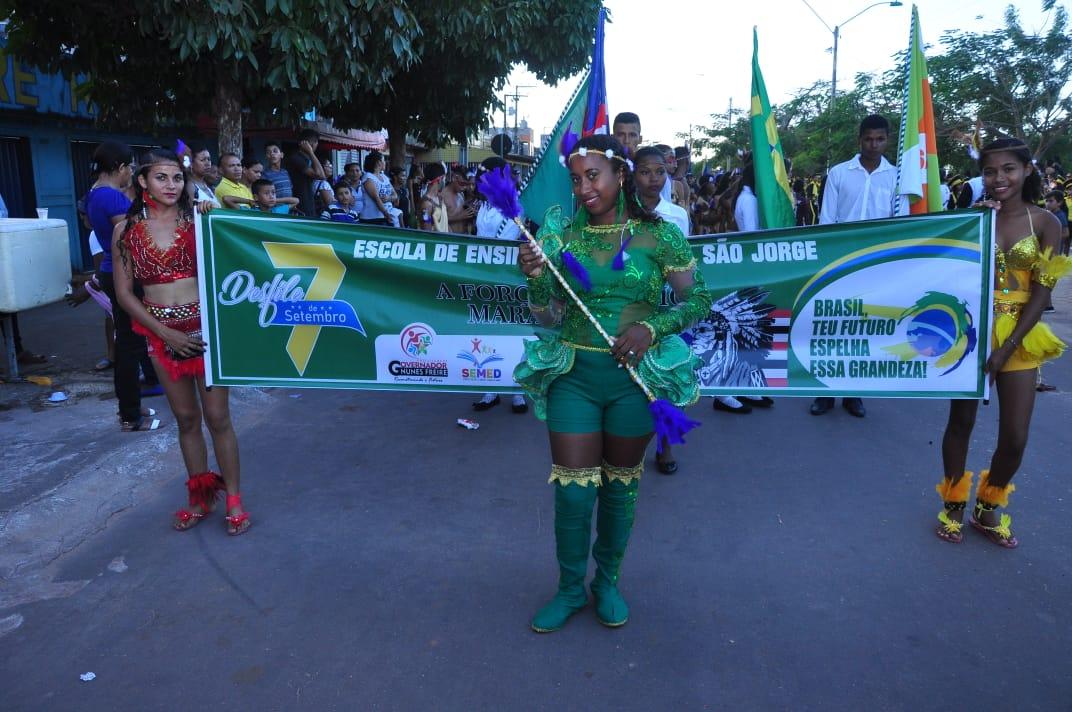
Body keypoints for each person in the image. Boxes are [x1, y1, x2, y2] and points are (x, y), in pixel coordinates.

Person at [515, 134, 712, 632]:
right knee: (574, 492)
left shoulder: (660, 235)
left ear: (620, 175)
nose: (583, 187)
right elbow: (547, 313)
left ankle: (606, 583)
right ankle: (567, 589)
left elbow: (698, 300)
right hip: (574, 377)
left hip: (633, 383)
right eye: (576, 178)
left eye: (593, 175)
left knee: (620, 489)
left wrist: (652, 327)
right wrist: (537, 275)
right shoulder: (562, 235)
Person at [935, 138, 1067, 549]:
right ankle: (954, 504)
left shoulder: (1046, 222)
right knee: (961, 423)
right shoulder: (975, 219)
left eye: (1008, 169)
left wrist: (1007, 349)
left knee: (1015, 436)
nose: (999, 178)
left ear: (1027, 170)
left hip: (1019, 336)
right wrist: (978, 225)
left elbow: (1042, 295)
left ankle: (987, 504)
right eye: (990, 171)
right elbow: (946, 271)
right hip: (971, 332)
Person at [113, 147, 250, 535]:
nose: (171, 185)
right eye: (161, 177)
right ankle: (201, 499)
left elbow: (238, 254)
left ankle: (235, 500)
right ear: (142, 182)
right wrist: (164, 332)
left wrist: (217, 219)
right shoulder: (125, 231)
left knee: (218, 418)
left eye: (176, 178)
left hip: (205, 333)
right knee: (187, 420)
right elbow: (125, 295)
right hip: (160, 335)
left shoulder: (200, 221)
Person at [810, 114, 897, 419]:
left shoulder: (896, 177)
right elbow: (827, 219)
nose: (874, 145)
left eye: (880, 139)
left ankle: (853, 392)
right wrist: (828, 260)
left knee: (863, 328)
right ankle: (824, 392)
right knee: (833, 326)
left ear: (888, 139)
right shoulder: (838, 173)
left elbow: (898, 224)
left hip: (876, 263)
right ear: (859, 139)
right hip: (840, 261)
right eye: (869, 139)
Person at [86, 141, 161, 430]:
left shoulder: (94, 194)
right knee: (129, 346)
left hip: (112, 271)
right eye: (129, 166)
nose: (130, 172)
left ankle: (131, 408)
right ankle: (130, 415)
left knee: (130, 342)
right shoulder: (112, 198)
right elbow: (130, 240)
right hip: (124, 273)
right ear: (119, 167)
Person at [471, 157, 527, 414]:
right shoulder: (483, 205)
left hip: (508, 276)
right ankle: (490, 390)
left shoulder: (514, 203)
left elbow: (510, 238)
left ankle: (517, 391)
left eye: (484, 175)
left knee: (514, 334)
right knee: (488, 332)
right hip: (484, 276)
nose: (480, 180)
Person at [287, 129, 327, 216]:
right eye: (316, 142)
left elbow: (322, 175)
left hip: (309, 201)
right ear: (311, 144)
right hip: (300, 203)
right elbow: (320, 176)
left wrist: (311, 154)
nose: (316, 145)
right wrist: (311, 152)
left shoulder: (308, 159)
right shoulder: (296, 158)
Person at [359, 151, 397, 226]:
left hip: (386, 215)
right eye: (384, 160)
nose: (385, 162)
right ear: (378, 162)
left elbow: (395, 195)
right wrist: (386, 214)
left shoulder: (384, 177)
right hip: (372, 218)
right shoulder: (368, 177)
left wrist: (389, 198)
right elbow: (376, 198)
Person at [417, 162, 450, 232]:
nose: (445, 181)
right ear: (440, 179)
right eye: (444, 178)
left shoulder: (440, 198)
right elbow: (427, 234)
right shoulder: (426, 204)